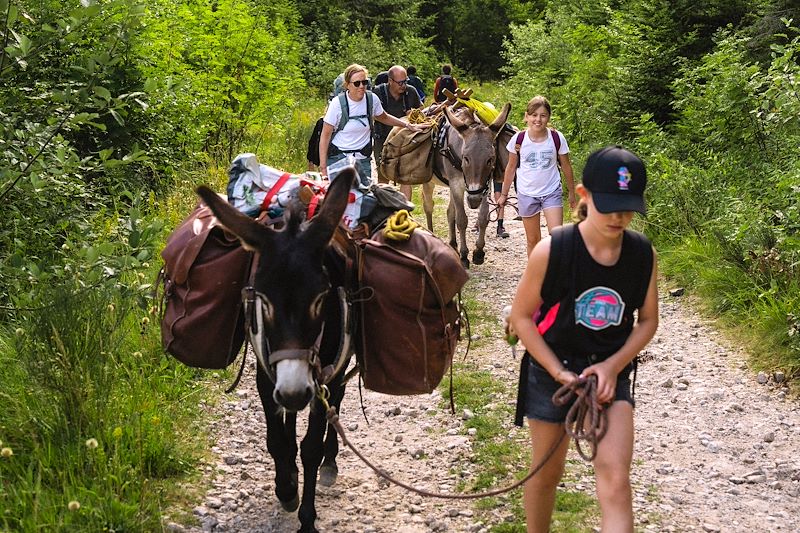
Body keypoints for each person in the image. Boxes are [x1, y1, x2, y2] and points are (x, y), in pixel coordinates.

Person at [510, 145, 659, 533]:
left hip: (608, 377)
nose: (619, 217)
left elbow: (646, 322)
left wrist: (611, 367)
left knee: (615, 480)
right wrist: (558, 371)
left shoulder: (642, 254)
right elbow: (522, 318)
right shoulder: (552, 250)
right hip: (551, 371)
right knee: (546, 474)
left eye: (627, 208)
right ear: (583, 195)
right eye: (609, 205)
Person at [319, 64, 428, 187]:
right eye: (357, 83)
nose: (361, 87)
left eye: (364, 82)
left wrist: (408, 125)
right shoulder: (337, 104)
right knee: (339, 200)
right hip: (339, 158)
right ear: (348, 84)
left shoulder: (372, 100)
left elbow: (384, 117)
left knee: (363, 198)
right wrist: (323, 169)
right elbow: (325, 135)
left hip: (362, 160)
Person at [498, 96, 576, 257]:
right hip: (527, 193)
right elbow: (511, 168)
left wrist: (572, 193)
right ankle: (536, 276)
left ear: (548, 117)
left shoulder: (557, 138)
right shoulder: (518, 140)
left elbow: (566, 166)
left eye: (543, 115)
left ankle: (554, 275)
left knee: (557, 238)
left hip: (551, 191)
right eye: (534, 115)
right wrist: (504, 195)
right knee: (533, 240)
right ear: (527, 117)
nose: (538, 119)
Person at [373, 64, 422, 200]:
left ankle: (405, 212)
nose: (403, 85)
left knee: (405, 177)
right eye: (400, 82)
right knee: (383, 176)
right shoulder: (377, 93)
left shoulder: (411, 92)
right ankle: (384, 211)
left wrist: (415, 115)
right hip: (382, 139)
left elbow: (421, 111)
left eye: (405, 81)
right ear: (390, 81)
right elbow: (374, 115)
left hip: (405, 141)